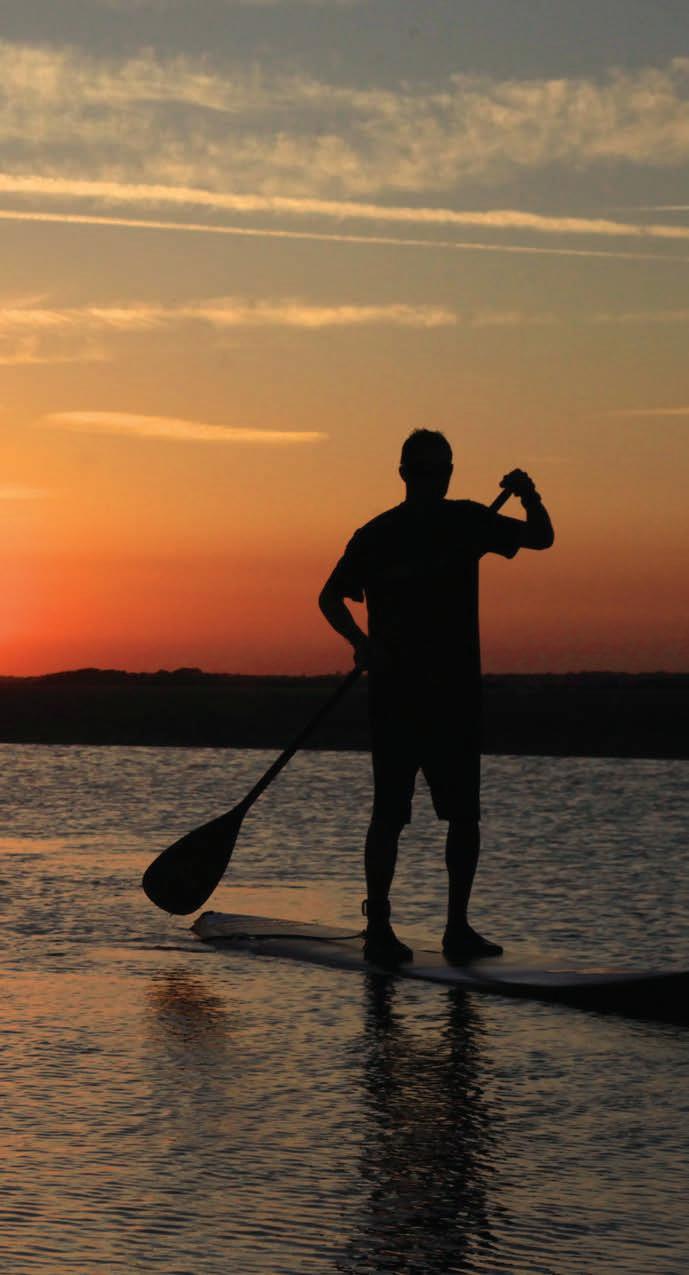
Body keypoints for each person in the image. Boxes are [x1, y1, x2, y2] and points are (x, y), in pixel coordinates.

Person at [318, 429, 554, 966]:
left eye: (441, 470)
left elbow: (542, 538)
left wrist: (529, 495)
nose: (433, 479)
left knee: (464, 816)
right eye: (423, 470)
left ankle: (457, 929)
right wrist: (361, 643)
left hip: (455, 696)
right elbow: (329, 597)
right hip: (396, 697)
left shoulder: (468, 521)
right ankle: (379, 927)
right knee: (389, 815)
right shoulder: (375, 535)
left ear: (450, 473)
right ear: (404, 474)